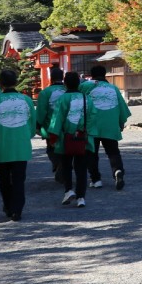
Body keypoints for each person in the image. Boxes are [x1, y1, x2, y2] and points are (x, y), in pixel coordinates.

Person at [0, 69, 36, 221]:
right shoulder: (27, 100)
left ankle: (8, 206)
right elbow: (31, 126)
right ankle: (17, 209)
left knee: (4, 179)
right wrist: (24, 135)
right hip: (21, 146)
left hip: (1, 147)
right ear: (16, 82)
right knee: (18, 179)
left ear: (0, 84)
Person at [81, 65, 131, 190]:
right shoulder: (113, 88)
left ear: (91, 75)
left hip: (92, 126)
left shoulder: (86, 87)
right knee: (113, 152)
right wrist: (120, 122)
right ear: (105, 75)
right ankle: (117, 171)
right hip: (110, 124)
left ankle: (96, 179)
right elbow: (122, 108)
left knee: (91, 153)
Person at [48, 71, 93, 208]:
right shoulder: (87, 98)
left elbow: (57, 119)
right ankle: (81, 197)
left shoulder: (63, 99)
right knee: (81, 168)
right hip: (82, 138)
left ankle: (68, 190)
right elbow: (92, 118)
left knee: (66, 166)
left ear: (65, 83)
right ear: (79, 83)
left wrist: (53, 136)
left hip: (65, 138)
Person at [35, 67, 66, 176]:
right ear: (62, 78)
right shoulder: (68, 89)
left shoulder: (45, 92)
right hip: (68, 125)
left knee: (51, 148)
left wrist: (37, 124)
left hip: (51, 126)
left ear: (51, 78)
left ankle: (57, 164)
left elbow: (41, 111)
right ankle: (63, 166)